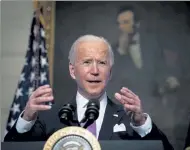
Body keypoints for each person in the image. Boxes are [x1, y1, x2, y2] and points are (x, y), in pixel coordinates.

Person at [4, 35, 173, 150]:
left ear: (110, 72)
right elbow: (11, 148)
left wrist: (142, 123)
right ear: (72, 71)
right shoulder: (48, 118)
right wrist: (26, 119)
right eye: (86, 62)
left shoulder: (131, 120)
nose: (95, 70)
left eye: (101, 63)